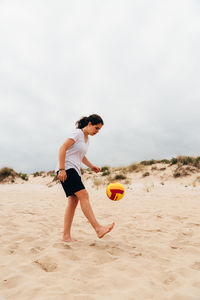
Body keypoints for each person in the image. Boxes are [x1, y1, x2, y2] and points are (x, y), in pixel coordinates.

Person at [56, 114, 115, 242]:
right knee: (84, 195)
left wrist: (91, 166)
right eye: (96, 128)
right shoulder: (77, 133)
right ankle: (98, 228)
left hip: (75, 170)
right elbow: (63, 148)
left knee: (73, 201)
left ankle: (66, 236)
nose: (97, 131)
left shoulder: (87, 139)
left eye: (99, 129)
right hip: (67, 168)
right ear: (89, 124)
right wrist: (61, 169)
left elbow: (81, 156)